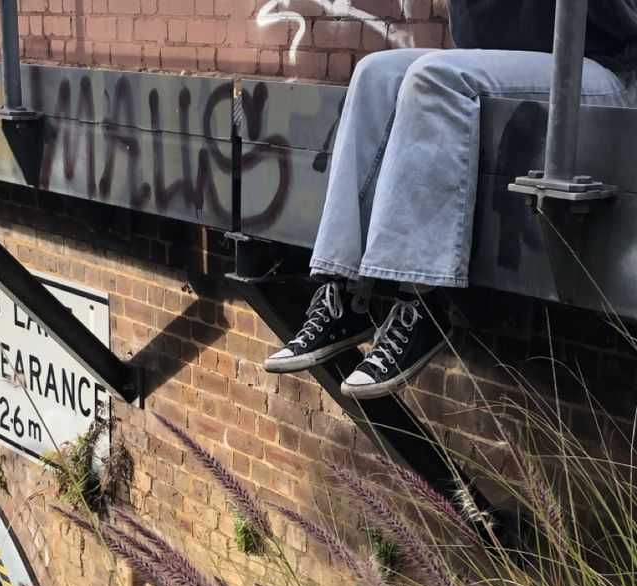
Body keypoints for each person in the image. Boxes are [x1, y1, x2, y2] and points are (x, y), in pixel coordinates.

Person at [264, 0, 637, 398]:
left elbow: (622, 22)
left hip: (599, 70)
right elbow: (472, 34)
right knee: (374, 73)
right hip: (517, 63)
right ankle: (346, 292)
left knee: (436, 77)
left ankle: (425, 304)